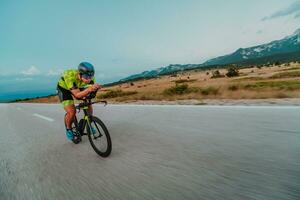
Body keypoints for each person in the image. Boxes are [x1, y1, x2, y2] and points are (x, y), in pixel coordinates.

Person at [57, 62, 101, 142]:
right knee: (72, 112)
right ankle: (68, 129)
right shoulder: (70, 76)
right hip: (64, 89)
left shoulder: (90, 78)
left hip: (79, 86)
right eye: (86, 77)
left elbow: (90, 94)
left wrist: (94, 90)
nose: (89, 79)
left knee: (88, 103)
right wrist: (89, 89)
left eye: (91, 76)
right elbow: (77, 95)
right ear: (79, 74)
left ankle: (89, 123)